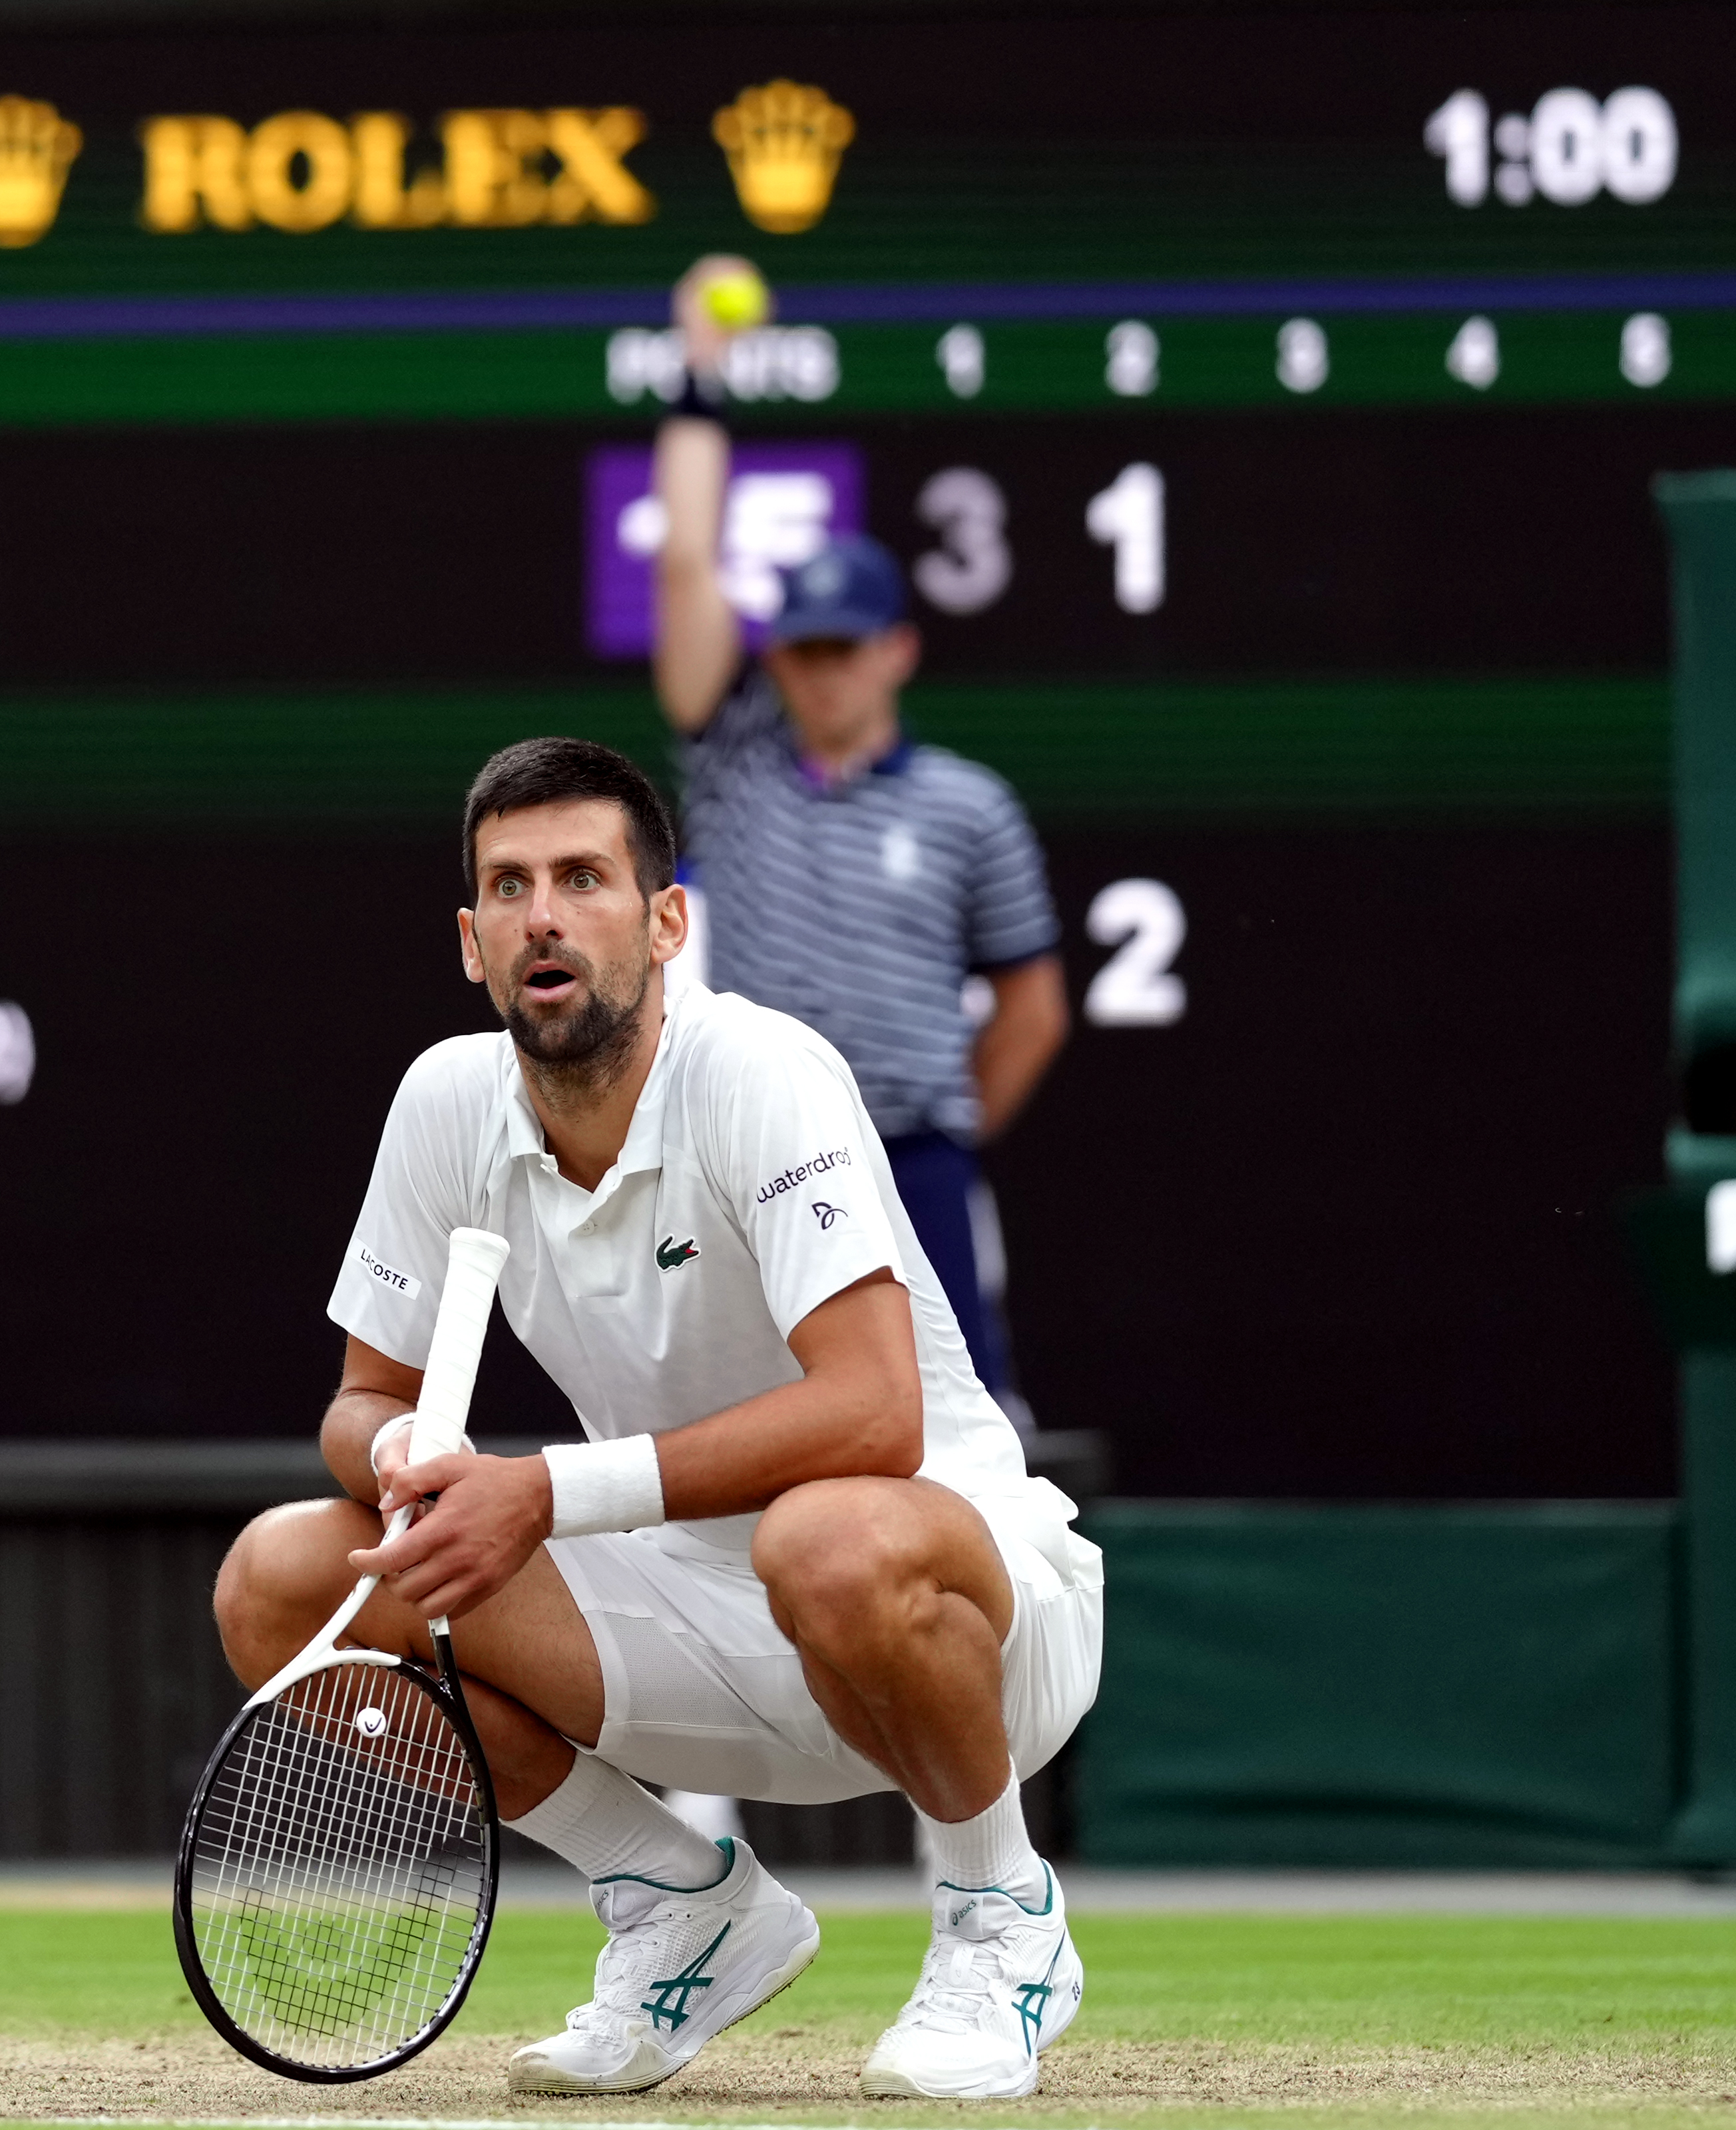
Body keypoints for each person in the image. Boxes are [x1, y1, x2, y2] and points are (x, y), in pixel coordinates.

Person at [210, 739, 1104, 2100]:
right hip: (683, 1637)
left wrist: (546, 1492)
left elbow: (873, 1411)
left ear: (666, 919)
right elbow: (363, 1400)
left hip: (962, 1621)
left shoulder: (761, 1069)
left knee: (826, 1537)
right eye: (507, 888)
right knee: (281, 1582)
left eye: (581, 877)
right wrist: (401, 1457)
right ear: (469, 941)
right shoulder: (440, 1104)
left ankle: (999, 1914)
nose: (543, 916)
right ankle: (677, 1893)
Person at [650, 255, 1068, 1404]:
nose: (820, 670)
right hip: (757, 1160)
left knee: (958, 1431)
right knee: (755, 1420)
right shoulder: (733, 768)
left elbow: (1032, 1004)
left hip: (917, 1161)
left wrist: (941, 1120)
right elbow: (687, 560)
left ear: (897, 650)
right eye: (802, 648)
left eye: (844, 646)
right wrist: (699, 376)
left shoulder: (967, 804)